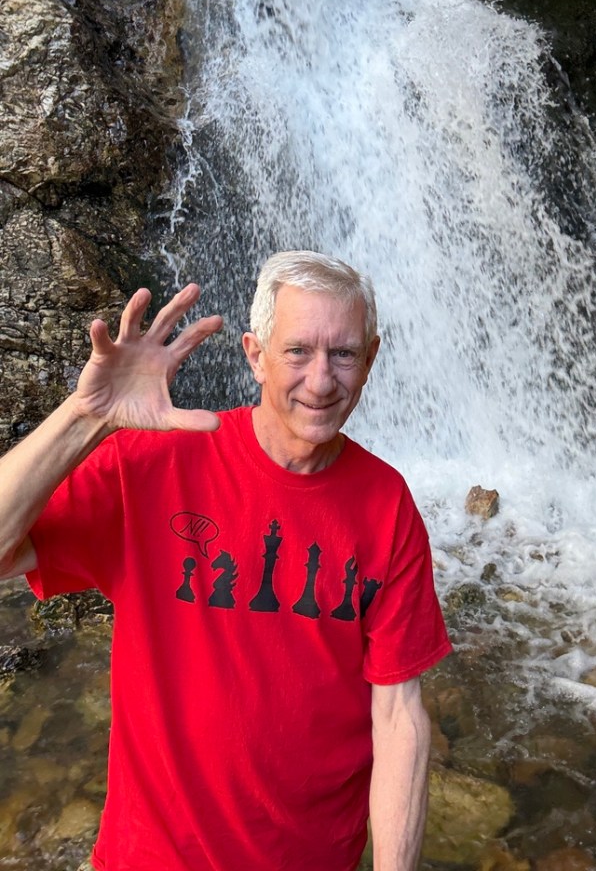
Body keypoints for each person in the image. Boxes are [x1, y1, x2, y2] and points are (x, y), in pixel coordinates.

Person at [0, 251, 452, 871]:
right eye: (297, 351)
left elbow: (399, 715)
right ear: (254, 354)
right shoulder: (153, 465)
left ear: (371, 358)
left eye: (343, 354)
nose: (321, 380)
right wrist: (86, 419)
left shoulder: (387, 504)